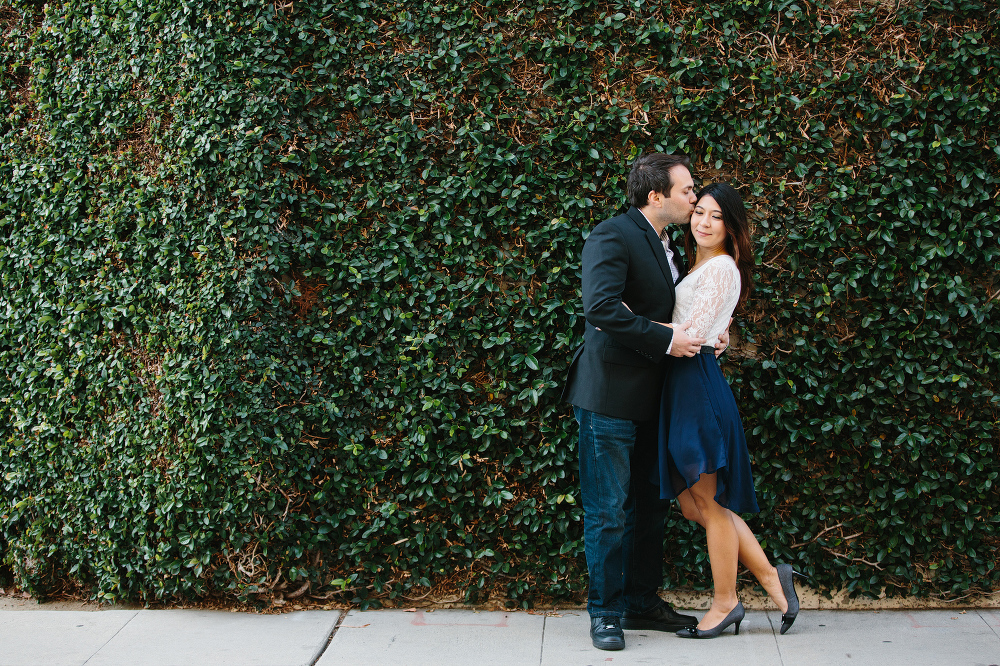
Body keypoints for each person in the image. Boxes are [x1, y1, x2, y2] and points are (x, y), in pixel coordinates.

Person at [562, 153, 727, 651]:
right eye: (686, 191)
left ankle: (639, 601)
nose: (694, 198)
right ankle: (606, 612)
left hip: (657, 398)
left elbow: (674, 311)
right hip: (609, 396)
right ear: (655, 196)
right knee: (609, 511)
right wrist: (664, 338)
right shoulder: (612, 234)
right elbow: (601, 306)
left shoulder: (667, 243)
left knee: (650, 508)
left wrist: (708, 336)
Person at [656, 182, 805, 639]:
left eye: (715, 216)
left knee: (710, 502)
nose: (702, 222)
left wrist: (624, 319)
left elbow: (693, 332)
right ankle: (771, 577)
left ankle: (726, 603)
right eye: (698, 211)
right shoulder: (701, 266)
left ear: (731, 226)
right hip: (683, 386)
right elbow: (706, 325)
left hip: (695, 384)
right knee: (692, 503)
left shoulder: (721, 267)